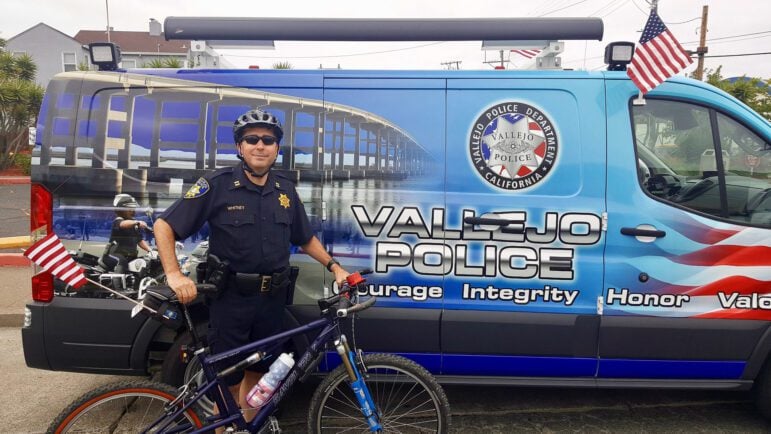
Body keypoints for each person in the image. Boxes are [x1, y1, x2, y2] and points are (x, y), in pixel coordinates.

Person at [154, 108, 349, 420]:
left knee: (259, 382)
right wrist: (174, 274)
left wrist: (335, 267)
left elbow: (304, 237)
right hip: (231, 302)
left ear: (276, 148)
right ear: (240, 147)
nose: (261, 145)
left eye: (268, 140)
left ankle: (246, 429)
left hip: (271, 302)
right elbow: (164, 225)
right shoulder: (216, 184)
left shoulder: (285, 189)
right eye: (252, 139)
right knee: (227, 389)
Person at [107, 194, 152, 288]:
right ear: (121, 210)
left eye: (133, 208)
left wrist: (150, 250)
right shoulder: (119, 221)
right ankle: (118, 290)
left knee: (142, 263)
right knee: (121, 261)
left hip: (130, 255)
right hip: (113, 254)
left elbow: (139, 240)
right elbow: (122, 224)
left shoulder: (133, 224)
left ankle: (137, 287)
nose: (132, 210)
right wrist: (137, 222)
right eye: (129, 208)